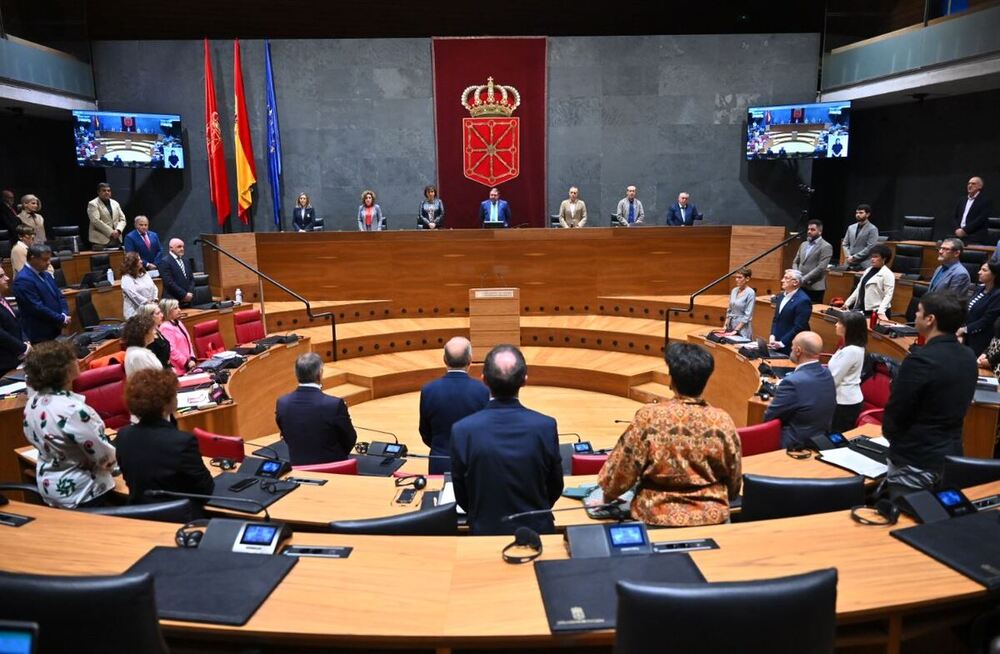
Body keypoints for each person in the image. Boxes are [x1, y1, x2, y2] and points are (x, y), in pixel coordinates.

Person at [598, 342, 742, 526]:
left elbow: (622, 470)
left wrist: (607, 498)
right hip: (711, 517)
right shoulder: (722, 420)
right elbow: (734, 478)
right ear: (706, 380)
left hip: (656, 516)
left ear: (671, 380)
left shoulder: (649, 416)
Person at [450, 345, 563, 536]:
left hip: (484, 531)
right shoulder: (545, 426)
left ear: (484, 380)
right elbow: (555, 486)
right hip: (537, 532)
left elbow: (461, 493)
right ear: (525, 381)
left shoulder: (462, 430)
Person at [883, 291, 977, 498]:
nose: (915, 316)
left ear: (930, 319)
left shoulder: (920, 361)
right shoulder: (968, 356)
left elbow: (897, 411)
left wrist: (894, 439)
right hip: (950, 456)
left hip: (915, 459)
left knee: (905, 522)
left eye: (918, 311)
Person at [22, 341, 117, 508]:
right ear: (63, 370)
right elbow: (104, 457)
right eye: (73, 359)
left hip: (50, 486)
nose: (78, 361)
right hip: (84, 492)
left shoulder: (32, 403)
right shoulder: (73, 410)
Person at [113, 368, 214, 504]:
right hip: (181, 517)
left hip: (138, 515)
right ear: (168, 403)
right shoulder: (183, 442)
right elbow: (206, 490)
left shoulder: (123, 436)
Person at [418, 337, 490, 474]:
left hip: (440, 461)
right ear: (470, 360)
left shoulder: (428, 390)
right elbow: (486, 431)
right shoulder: (483, 391)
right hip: (473, 463)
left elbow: (425, 432)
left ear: (444, 359)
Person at [275, 352, 358, 465]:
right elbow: (350, 439)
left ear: (296, 374)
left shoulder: (282, 403)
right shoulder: (334, 404)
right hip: (333, 469)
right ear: (319, 374)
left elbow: (286, 436)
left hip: (298, 468)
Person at [763, 331, 836, 448]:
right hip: (820, 441)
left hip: (793, 446)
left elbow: (769, 418)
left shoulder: (792, 382)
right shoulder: (827, 374)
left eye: (792, 345)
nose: (790, 348)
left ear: (798, 350)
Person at [12, 244, 70, 344]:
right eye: (44, 259)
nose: (48, 263)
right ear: (32, 258)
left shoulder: (46, 274)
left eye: (49, 259)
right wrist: (60, 318)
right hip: (39, 332)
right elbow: (36, 307)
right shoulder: (23, 279)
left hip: (54, 327)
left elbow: (59, 296)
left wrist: (64, 314)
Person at [828, 312, 868, 433]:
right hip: (843, 399)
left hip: (845, 403)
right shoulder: (850, 347)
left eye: (840, 323)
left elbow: (833, 379)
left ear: (849, 328)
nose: (836, 325)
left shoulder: (851, 351)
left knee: (836, 438)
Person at [958, 261, 1000, 357]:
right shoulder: (979, 289)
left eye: (984, 270)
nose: (979, 272)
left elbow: (987, 320)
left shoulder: (997, 295)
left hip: (981, 341)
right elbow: (968, 311)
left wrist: (965, 329)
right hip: (968, 334)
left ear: (995, 274)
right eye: (980, 269)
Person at [844, 243, 895, 321]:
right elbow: (859, 288)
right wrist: (847, 303)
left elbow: (888, 295)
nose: (872, 259)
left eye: (876, 257)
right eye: (872, 256)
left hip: (877, 312)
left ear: (884, 259)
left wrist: (881, 311)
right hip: (863, 309)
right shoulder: (868, 270)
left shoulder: (888, 274)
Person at [769, 269, 812, 354]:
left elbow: (799, 327)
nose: (782, 280)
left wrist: (782, 343)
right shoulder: (781, 296)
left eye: (786, 278)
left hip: (792, 346)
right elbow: (776, 319)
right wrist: (772, 335)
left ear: (795, 282)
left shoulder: (803, 300)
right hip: (777, 343)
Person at [792, 219, 833, 303]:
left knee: (811, 313)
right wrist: (796, 275)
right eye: (808, 229)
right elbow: (795, 261)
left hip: (814, 287)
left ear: (820, 232)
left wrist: (803, 279)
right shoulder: (803, 244)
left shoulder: (826, 246)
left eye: (813, 230)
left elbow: (821, 267)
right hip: (800, 285)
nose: (809, 231)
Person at [0, 269, 29, 377]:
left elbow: (16, 321)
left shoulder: (2, 297)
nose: (7, 278)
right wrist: (23, 347)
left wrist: (26, 341)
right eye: (1, 276)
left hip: (15, 358)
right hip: (4, 365)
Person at [159, 298, 196, 375]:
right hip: (179, 370)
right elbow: (172, 350)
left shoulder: (179, 323)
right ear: (167, 311)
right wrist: (186, 362)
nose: (179, 310)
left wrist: (192, 358)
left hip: (189, 366)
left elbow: (188, 341)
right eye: (175, 308)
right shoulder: (165, 327)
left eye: (178, 307)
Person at [86, 182, 127, 248]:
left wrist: (118, 230)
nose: (107, 192)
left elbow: (123, 219)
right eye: (104, 190)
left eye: (108, 190)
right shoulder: (93, 204)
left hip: (116, 238)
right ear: (98, 192)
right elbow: (95, 221)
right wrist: (111, 232)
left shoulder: (115, 203)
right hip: (100, 240)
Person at [953, 176, 992, 244]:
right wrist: (957, 229)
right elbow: (954, 217)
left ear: (980, 186)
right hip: (959, 234)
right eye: (969, 183)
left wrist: (965, 230)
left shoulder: (985, 201)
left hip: (974, 235)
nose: (970, 185)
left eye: (973, 184)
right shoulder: (962, 200)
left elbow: (981, 219)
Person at [120, 252, 158, 319]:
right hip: (135, 314)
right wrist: (147, 302)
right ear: (132, 263)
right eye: (138, 260)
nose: (141, 261)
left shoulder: (145, 274)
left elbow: (154, 287)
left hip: (151, 309)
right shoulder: (126, 278)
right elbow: (133, 295)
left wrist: (155, 299)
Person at [842, 204, 879, 270]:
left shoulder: (873, 229)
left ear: (867, 214)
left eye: (861, 213)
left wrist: (854, 257)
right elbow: (845, 244)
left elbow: (870, 247)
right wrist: (848, 256)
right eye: (857, 213)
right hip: (849, 262)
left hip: (863, 263)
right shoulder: (851, 227)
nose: (858, 215)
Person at [159, 238, 195, 306]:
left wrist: (190, 293)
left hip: (188, 299)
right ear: (171, 248)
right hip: (173, 300)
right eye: (179, 247)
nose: (182, 249)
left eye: (183, 246)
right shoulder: (164, 262)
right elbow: (169, 283)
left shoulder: (186, 261)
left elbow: (191, 279)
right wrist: (184, 295)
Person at [723, 268, 755, 340]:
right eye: (736, 277)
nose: (736, 279)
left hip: (742, 327)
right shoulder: (734, 290)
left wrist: (736, 330)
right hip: (730, 325)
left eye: (740, 277)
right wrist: (725, 325)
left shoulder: (750, 293)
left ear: (747, 279)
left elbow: (748, 315)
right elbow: (729, 310)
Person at [136, 302, 171, 369]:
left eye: (160, 312)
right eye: (158, 313)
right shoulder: (147, 338)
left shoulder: (156, 330)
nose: (162, 315)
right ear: (148, 317)